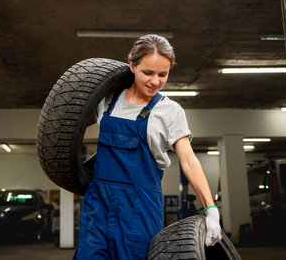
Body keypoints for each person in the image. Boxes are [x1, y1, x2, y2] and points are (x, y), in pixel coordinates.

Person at [73, 34, 221, 259]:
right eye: (148, 73)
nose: (155, 81)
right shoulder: (107, 101)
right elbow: (70, 124)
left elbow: (189, 161)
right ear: (132, 66)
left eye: (163, 74)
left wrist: (210, 209)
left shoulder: (170, 111)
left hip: (139, 208)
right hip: (98, 204)